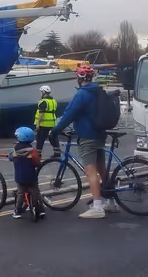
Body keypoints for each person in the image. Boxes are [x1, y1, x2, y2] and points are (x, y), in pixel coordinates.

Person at [50, 65, 118, 218]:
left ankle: (97, 207)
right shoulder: (98, 91)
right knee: (102, 169)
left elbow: (69, 114)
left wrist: (55, 130)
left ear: (79, 78)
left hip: (87, 136)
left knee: (90, 171)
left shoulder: (82, 93)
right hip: (100, 134)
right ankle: (111, 202)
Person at [8, 127, 45, 219]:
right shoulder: (33, 152)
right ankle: (41, 210)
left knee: (20, 193)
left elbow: (10, 158)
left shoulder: (14, 151)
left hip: (19, 177)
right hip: (31, 176)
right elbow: (37, 163)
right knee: (36, 192)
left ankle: (17, 211)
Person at [34, 85, 61, 158]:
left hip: (44, 124)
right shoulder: (53, 101)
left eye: (41, 92)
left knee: (40, 139)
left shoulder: (43, 102)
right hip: (53, 123)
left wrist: (38, 123)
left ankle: (38, 154)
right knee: (53, 138)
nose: (40, 93)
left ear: (43, 92)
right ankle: (57, 153)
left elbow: (41, 114)